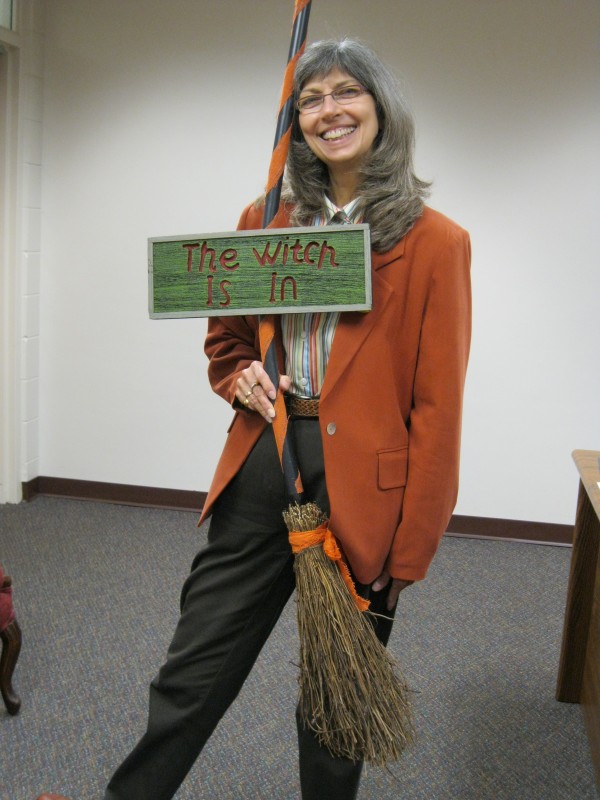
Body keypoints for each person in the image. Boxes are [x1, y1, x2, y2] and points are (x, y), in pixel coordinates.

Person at [38, 37, 471, 800]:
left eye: (346, 93)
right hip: (266, 458)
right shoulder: (263, 219)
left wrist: (411, 554)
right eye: (311, 99)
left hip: (365, 491)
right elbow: (227, 341)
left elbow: (438, 409)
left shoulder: (437, 244)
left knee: (337, 703)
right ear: (294, 120)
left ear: (380, 107)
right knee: (194, 667)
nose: (329, 111)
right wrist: (237, 377)